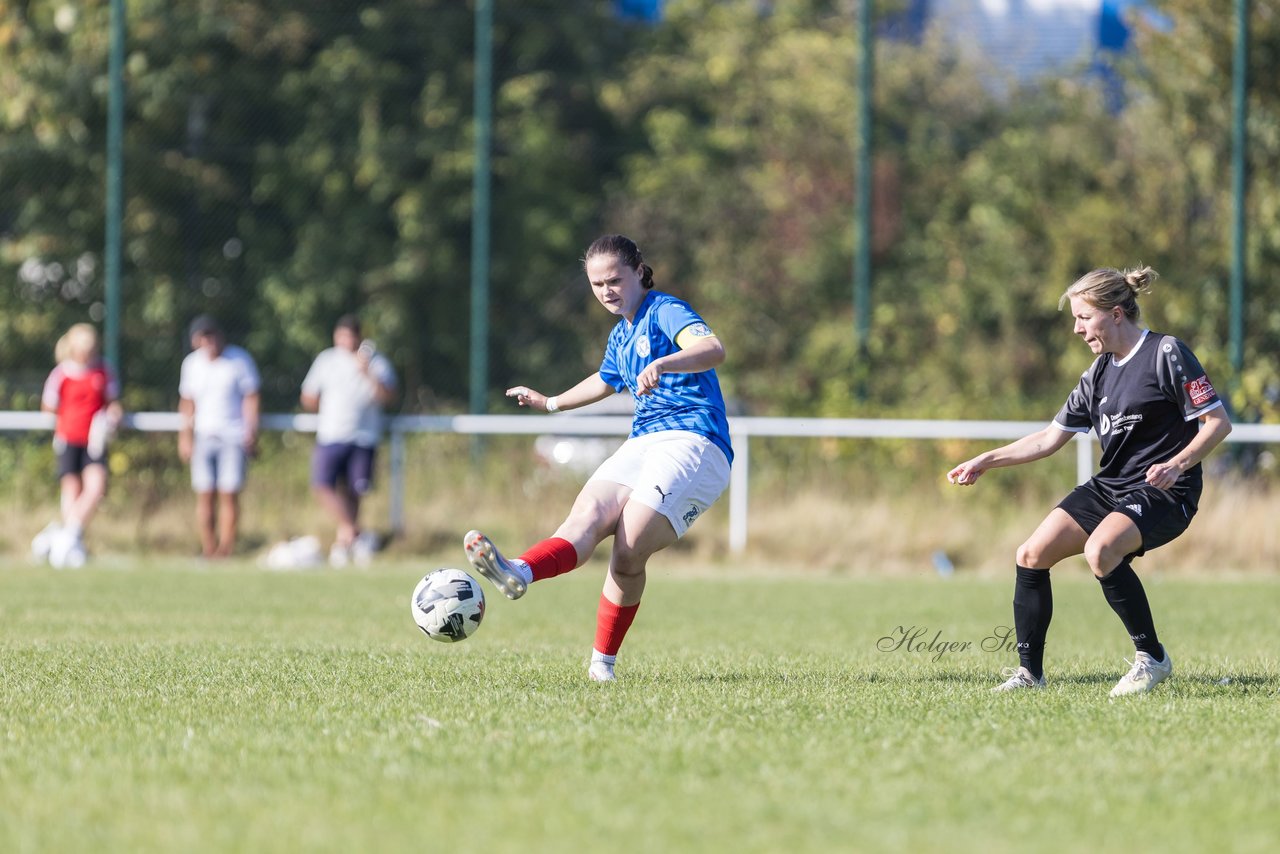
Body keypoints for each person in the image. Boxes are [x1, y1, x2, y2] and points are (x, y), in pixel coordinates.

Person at [947, 266, 1232, 697]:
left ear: (1116, 314)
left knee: (1100, 550)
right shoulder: (1098, 373)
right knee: (1031, 554)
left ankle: (1151, 658)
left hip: (1167, 490)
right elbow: (1048, 439)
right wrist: (987, 459)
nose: (1077, 329)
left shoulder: (1166, 352)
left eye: (1084, 317)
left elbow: (1217, 423)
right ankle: (1030, 675)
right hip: (1112, 486)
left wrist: (1179, 463)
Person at [463, 234, 734, 682]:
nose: (607, 290)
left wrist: (665, 364)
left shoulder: (665, 310)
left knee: (627, 550)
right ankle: (520, 570)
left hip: (695, 442)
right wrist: (549, 402)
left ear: (638, 272)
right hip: (644, 441)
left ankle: (602, 661)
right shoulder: (620, 335)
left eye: (615, 280)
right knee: (586, 517)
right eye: (596, 284)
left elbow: (713, 349)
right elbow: (605, 380)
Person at [300, 314, 398, 567]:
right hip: (331, 434)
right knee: (322, 485)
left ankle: (346, 543)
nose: (345, 340)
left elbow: (387, 397)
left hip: (364, 437)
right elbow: (308, 397)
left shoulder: (376, 362)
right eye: (341, 335)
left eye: (350, 335)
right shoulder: (327, 360)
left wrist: (366, 372)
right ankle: (355, 532)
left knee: (355, 491)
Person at [32, 323, 123, 568]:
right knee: (71, 491)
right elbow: (48, 406)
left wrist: (112, 416)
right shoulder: (61, 374)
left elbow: (113, 402)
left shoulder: (103, 371)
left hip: (94, 441)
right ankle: (69, 544)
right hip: (68, 439)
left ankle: (63, 536)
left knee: (95, 488)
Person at [178, 314, 261, 558]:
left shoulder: (239, 360)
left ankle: (225, 549)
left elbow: (251, 397)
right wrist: (185, 436)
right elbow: (188, 403)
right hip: (204, 436)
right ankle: (208, 547)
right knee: (205, 495)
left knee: (229, 493)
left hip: (233, 436)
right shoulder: (192, 364)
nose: (209, 341)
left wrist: (251, 430)